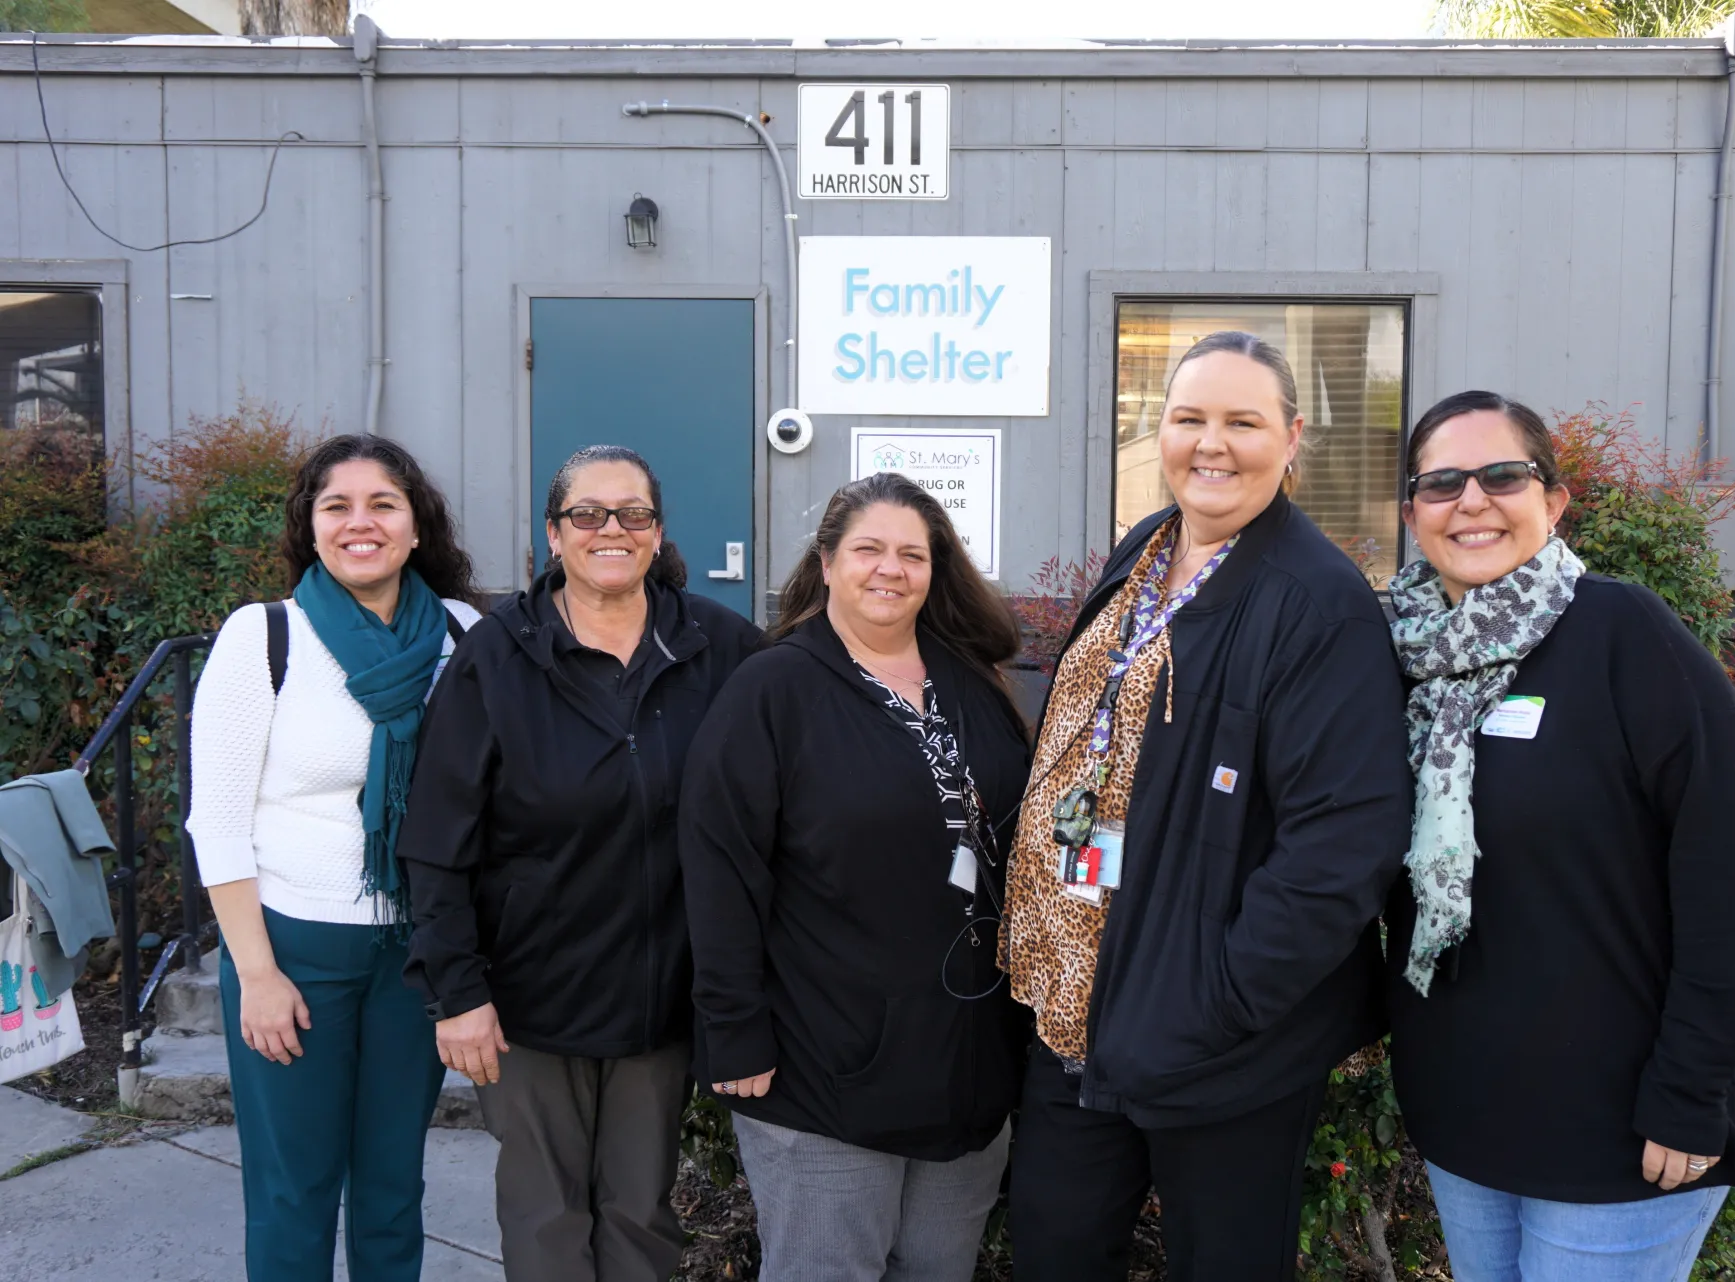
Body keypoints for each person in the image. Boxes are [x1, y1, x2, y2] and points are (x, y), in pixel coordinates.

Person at [1000, 331, 1413, 1282]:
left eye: (1243, 421)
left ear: (1293, 437)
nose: (1211, 444)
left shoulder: (1318, 603)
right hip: (1076, 1007)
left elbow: (1340, 847)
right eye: (1189, 419)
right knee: (1056, 1247)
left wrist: (1215, 1003)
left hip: (1216, 1037)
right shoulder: (1148, 550)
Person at [1385, 390, 1735, 1281]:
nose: (1472, 500)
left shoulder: (1624, 634)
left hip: (1623, 1124)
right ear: (1413, 514)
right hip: (1464, 1111)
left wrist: (1691, 1092)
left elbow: (1731, 879)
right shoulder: (1399, 656)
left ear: (1553, 501)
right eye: (1442, 482)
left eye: (1502, 475)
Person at [397, 445, 760, 1282]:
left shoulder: (720, 647)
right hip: (529, 1005)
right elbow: (437, 842)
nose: (611, 530)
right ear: (554, 536)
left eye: (632, 514)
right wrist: (459, 994)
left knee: (640, 1215)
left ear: (657, 532)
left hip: (661, 996)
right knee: (547, 1220)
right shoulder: (495, 657)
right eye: (587, 515)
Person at [680, 472, 1032, 1282]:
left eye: (913, 554)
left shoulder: (970, 682)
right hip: (821, 1067)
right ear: (828, 562)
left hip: (964, 1066)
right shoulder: (774, 691)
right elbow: (720, 866)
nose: (891, 569)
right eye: (868, 548)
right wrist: (733, 1028)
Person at [187, 434, 484, 1281]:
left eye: (383, 504)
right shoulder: (264, 638)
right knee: (295, 1190)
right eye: (337, 506)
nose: (362, 523)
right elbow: (216, 821)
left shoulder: (462, 635)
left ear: (416, 525)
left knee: (393, 1189)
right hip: (293, 951)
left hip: (418, 953)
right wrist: (257, 973)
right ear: (310, 527)